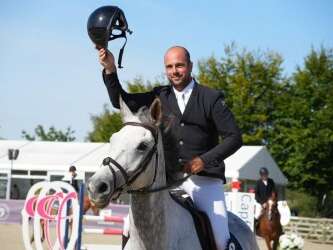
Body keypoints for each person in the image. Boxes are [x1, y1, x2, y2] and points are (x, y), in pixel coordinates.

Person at [98, 46, 242, 250]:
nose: (174, 71)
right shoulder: (159, 95)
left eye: (179, 65)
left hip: (204, 181)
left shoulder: (211, 98)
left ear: (190, 66)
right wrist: (110, 70)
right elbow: (119, 101)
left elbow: (235, 137)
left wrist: (203, 160)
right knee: (128, 228)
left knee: (221, 239)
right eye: (169, 67)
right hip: (167, 181)